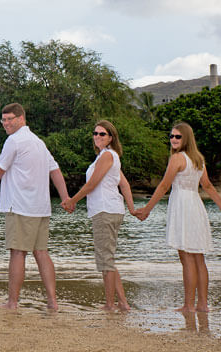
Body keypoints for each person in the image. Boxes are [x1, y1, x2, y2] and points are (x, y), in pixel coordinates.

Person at [134, 122, 221, 312]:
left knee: (187, 257)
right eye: (171, 136)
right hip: (195, 205)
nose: (173, 139)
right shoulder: (199, 160)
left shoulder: (177, 158)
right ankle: (202, 304)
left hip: (183, 206)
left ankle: (189, 305)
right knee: (198, 258)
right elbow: (207, 186)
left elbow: (164, 186)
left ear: (186, 138)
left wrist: (147, 209)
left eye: (177, 137)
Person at [0, 103, 70, 310]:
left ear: (21, 118)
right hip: (41, 208)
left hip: (20, 206)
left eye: (10, 119)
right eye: (3, 120)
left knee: (17, 253)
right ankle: (52, 302)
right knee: (41, 252)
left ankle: (12, 303)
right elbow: (55, 170)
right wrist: (64, 197)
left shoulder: (14, 141)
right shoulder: (38, 142)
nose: (6, 123)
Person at [60, 120, 137, 311]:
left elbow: (92, 185)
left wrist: (72, 200)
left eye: (102, 134)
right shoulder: (108, 156)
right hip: (109, 210)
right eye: (95, 133)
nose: (97, 137)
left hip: (105, 210)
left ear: (111, 137)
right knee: (107, 259)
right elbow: (124, 184)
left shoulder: (107, 156)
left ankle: (110, 304)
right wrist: (132, 208)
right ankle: (123, 303)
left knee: (105, 260)